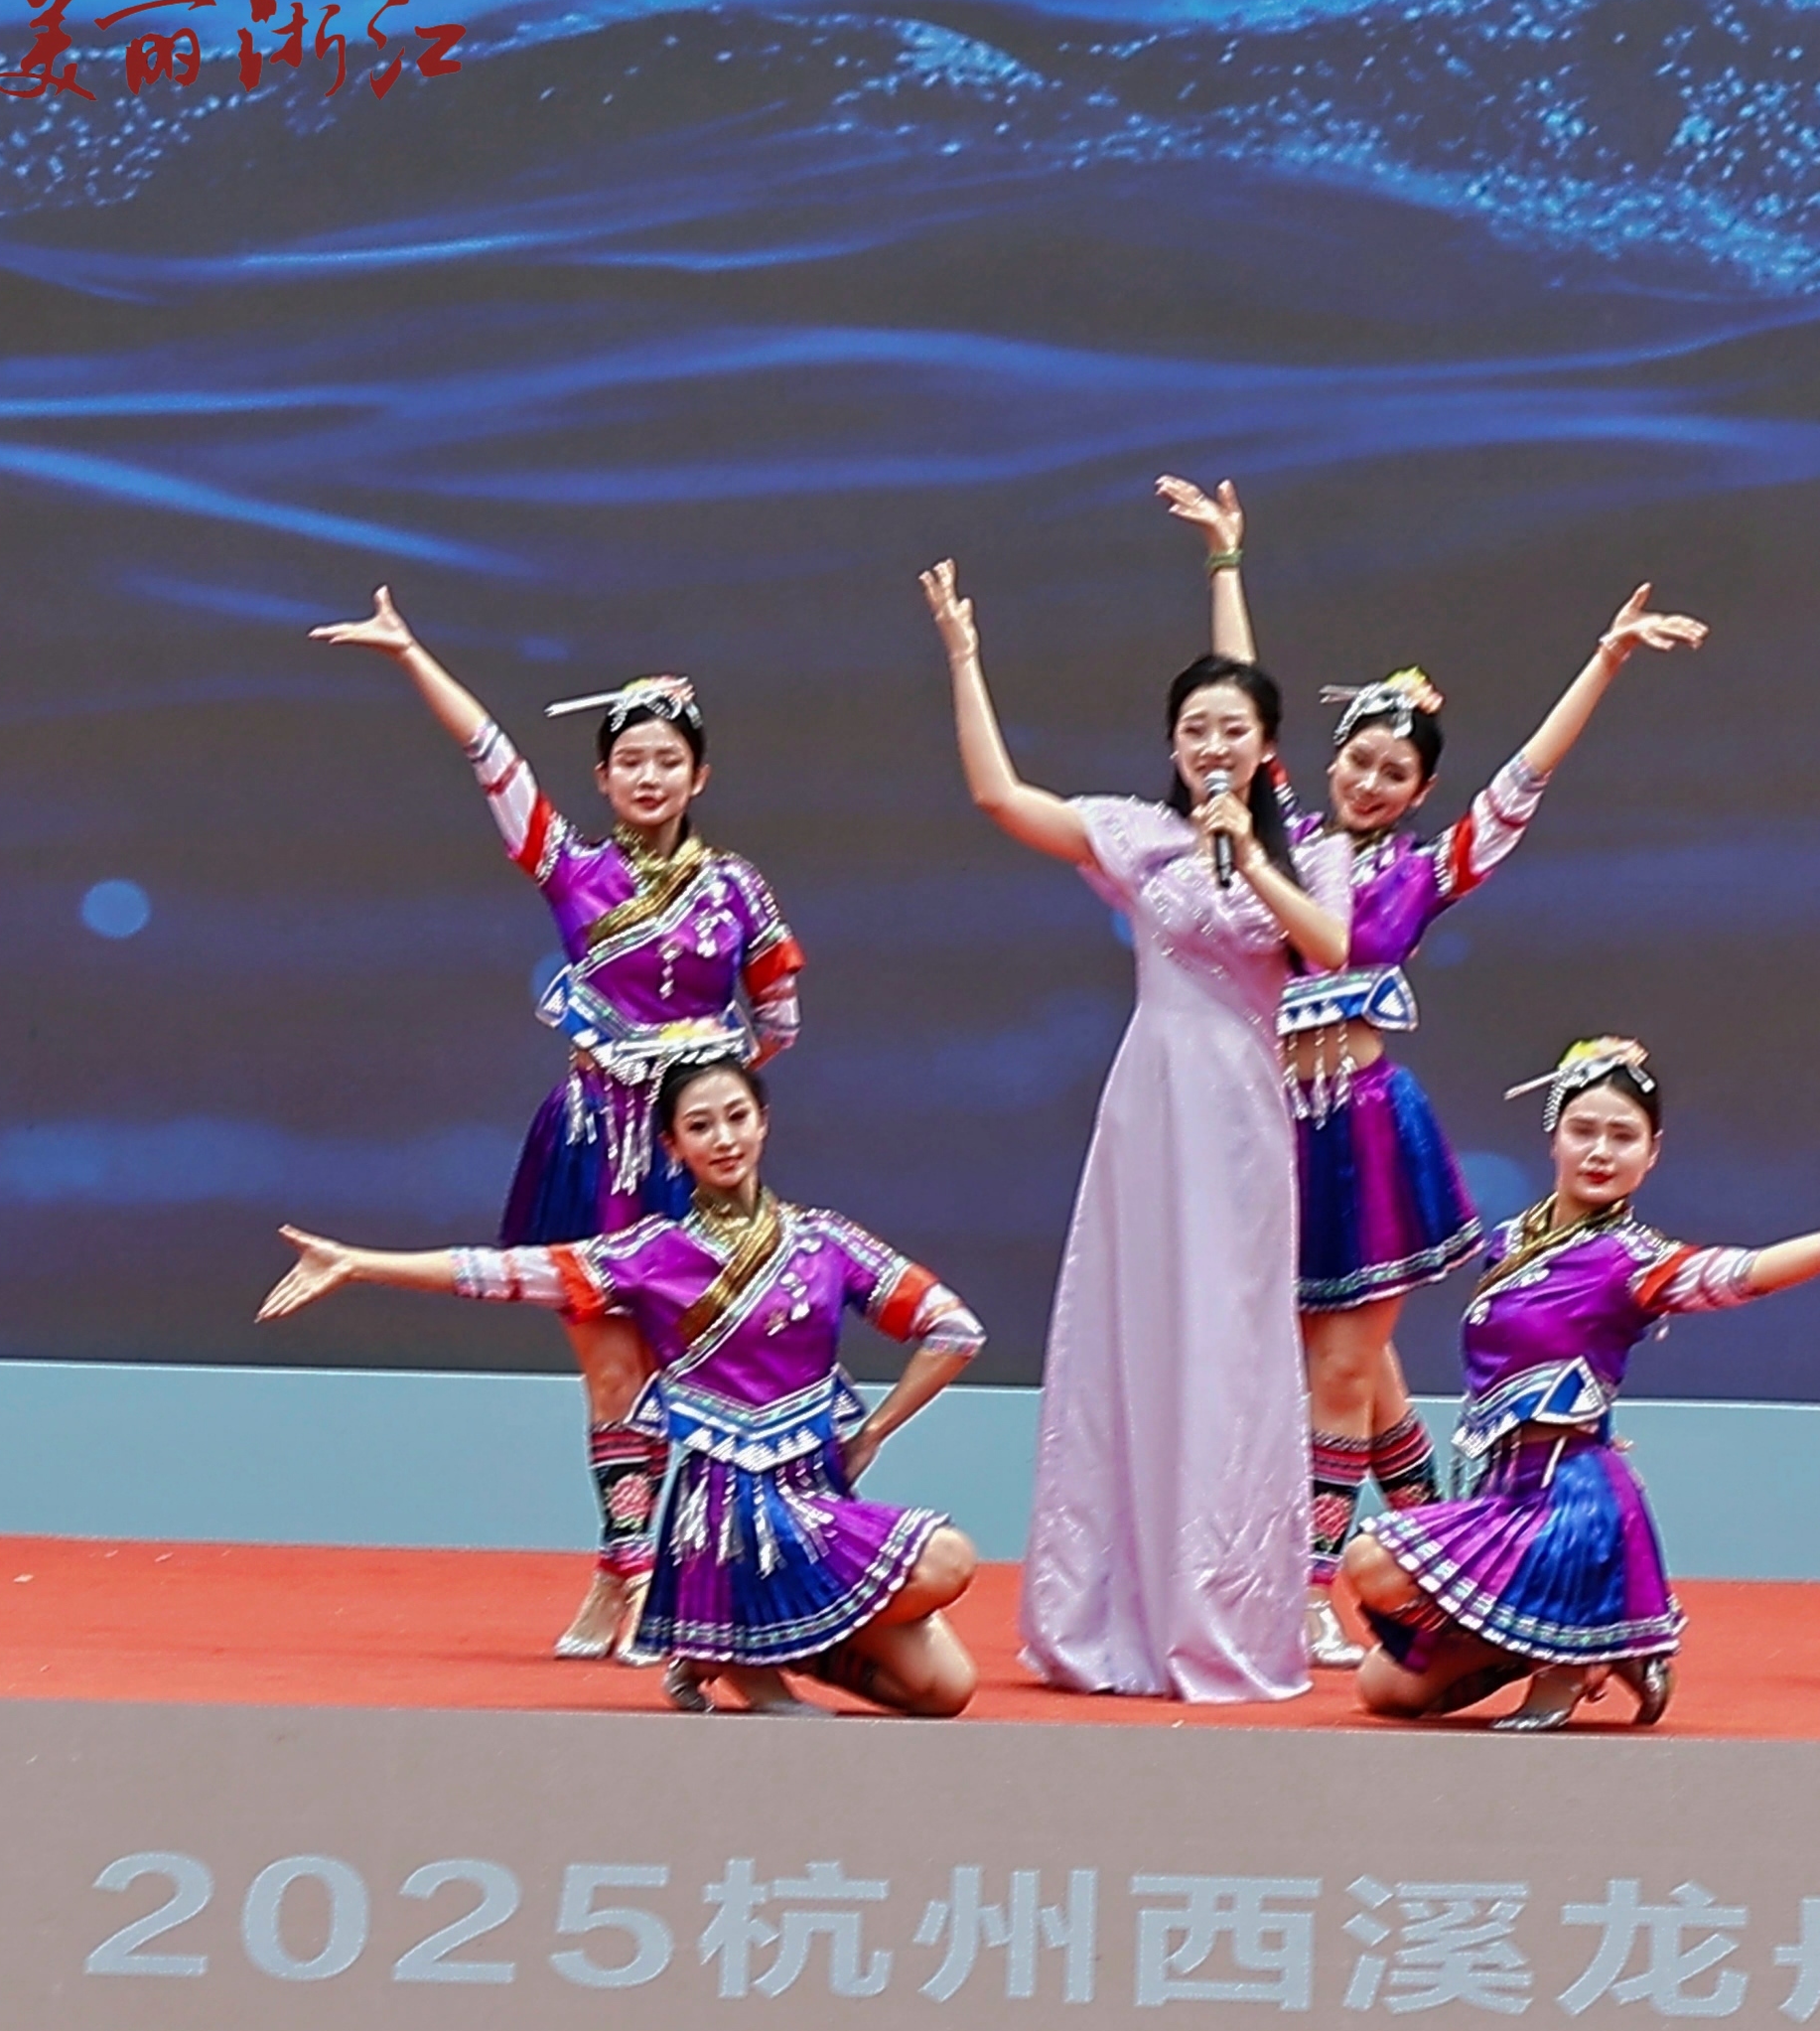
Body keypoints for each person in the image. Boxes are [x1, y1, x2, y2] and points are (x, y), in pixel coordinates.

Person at [1158, 473, 1710, 1665]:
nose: (1370, 780)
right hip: (1273, 1122)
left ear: (1419, 791)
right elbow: (1243, 707)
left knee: (1340, 1361)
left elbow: (1526, 778)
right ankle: (1436, 1531)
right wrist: (1226, 561)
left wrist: (1605, 658)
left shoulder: (1427, 870)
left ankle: (1309, 1585)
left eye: (1394, 772)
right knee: (1359, 1363)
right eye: (1358, 760)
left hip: (1364, 1127)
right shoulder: (1288, 836)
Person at [312, 588, 803, 1663]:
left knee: (701, 1372)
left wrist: (697, 1103)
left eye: (668, 758)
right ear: (602, 776)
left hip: (691, 1162)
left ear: (700, 774)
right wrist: (411, 653)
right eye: (629, 759)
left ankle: (684, 1584)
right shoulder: (570, 867)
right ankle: (623, 1577)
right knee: (610, 1372)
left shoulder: (739, 891)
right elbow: (490, 755)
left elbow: (778, 1022)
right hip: (589, 1150)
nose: (648, 775)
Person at [918, 556, 1356, 1701]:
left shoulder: (1310, 851)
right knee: (1133, 1336)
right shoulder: (1138, 836)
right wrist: (965, 657)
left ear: (1267, 748)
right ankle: (1107, 1614)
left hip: (1241, 1116)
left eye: (1233, 728)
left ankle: (1222, 1609)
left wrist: (1246, 850)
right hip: (1148, 1107)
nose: (1211, 743)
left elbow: (1330, 947)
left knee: (1227, 1348)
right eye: (1193, 726)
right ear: (1171, 741)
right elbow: (1001, 798)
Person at [256, 1057, 985, 1717]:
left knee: (944, 1690)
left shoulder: (826, 1241)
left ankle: (735, 1642)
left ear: (763, 1122)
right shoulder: (651, 1254)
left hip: (817, 1493)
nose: (723, 1138)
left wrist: (872, 1432)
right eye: (700, 1126)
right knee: (948, 1559)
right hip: (726, 1514)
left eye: (736, 1117)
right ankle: (735, 1649)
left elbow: (953, 1330)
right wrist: (359, 1263)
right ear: (672, 1147)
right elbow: (502, 1273)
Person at [1341, 1038, 1820, 1731]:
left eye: (1623, 1137)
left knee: (1371, 1561)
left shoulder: (1631, 1259)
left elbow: (1739, 1274)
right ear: (1554, 1136)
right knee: (1384, 1688)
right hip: (1502, 1494)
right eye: (1584, 1130)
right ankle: (1585, 1645)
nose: (1601, 1151)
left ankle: (1571, 1649)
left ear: (1652, 1153)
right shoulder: (1510, 1243)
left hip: (1567, 1509)